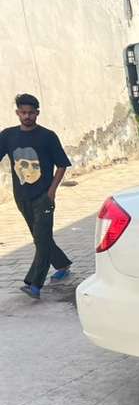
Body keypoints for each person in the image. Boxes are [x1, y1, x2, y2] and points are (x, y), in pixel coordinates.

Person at [0, 93, 73, 300]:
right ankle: (62, 264)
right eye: (23, 112)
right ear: (17, 113)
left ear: (37, 113)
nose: (27, 116)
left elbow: (62, 165)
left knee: (41, 240)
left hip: (43, 196)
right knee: (40, 237)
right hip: (21, 196)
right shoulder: (7, 136)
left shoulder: (47, 136)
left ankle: (34, 284)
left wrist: (51, 192)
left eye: (31, 113)